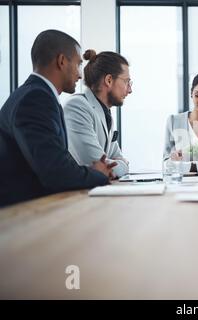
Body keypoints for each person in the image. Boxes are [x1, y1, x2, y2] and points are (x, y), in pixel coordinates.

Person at [0, 30, 115, 207]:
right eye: (78, 65)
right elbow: (55, 171)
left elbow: (55, 160)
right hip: (21, 215)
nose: (80, 75)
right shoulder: (36, 99)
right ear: (61, 61)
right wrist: (97, 174)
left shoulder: (36, 95)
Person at [64, 50, 131, 178]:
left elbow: (116, 157)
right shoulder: (77, 107)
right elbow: (101, 167)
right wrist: (123, 165)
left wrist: (119, 163)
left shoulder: (105, 112)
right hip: (75, 195)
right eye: (126, 82)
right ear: (109, 80)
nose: (130, 90)